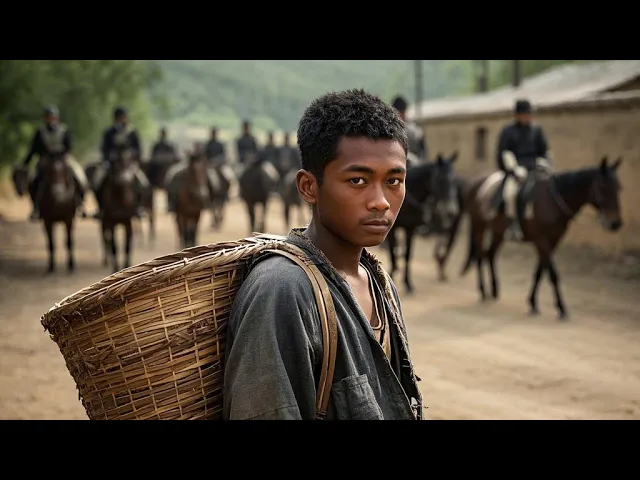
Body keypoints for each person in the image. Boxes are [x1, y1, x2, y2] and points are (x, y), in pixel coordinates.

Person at [222, 89, 423, 420]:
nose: (381, 202)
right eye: (357, 180)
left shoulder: (379, 282)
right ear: (308, 187)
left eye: (394, 180)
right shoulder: (283, 290)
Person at [495, 99, 552, 240]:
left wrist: (545, 162)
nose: (528, 117)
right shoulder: (508, 131)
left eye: (529, 114)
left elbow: (544, 150)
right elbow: (503, 153)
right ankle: (512, 224)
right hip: (516, 169)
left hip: (536, 167)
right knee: (510, 193)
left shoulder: (537, 130)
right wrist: (513, 170)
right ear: (517, 115)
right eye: (525, 114)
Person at [22, 105, 88, 220]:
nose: (50, 119)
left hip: (63, 158)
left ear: (56, 118)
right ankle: (36, 207)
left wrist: (61, 152)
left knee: (80, 177)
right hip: (45, 160)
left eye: (52, 117)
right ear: (45, 118)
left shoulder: (64, 130)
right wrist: (26, 162)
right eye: (48, 117)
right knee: (33, 180)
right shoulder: (40, 132)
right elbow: (33, 149)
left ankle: (80, 205)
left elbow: (69, 146)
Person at [94, 107, 149, 219]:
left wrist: (132, 155)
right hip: (112, 164)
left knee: (143, 183)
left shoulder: (132, 132)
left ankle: (139, 207)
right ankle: (101, 208)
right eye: (120, 118)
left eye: (124, 117)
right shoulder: (109, 132)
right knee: (97, 181)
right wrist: (108, 158)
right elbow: (104, 148)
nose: (123, 119)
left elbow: (138, 148)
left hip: (129, 164)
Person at [391, 95, 428, 166]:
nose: (402, 116)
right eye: (400, 113)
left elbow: (423, 152)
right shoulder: (389, 131)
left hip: (415, 166)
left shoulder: (415, 131)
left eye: (403, 112)